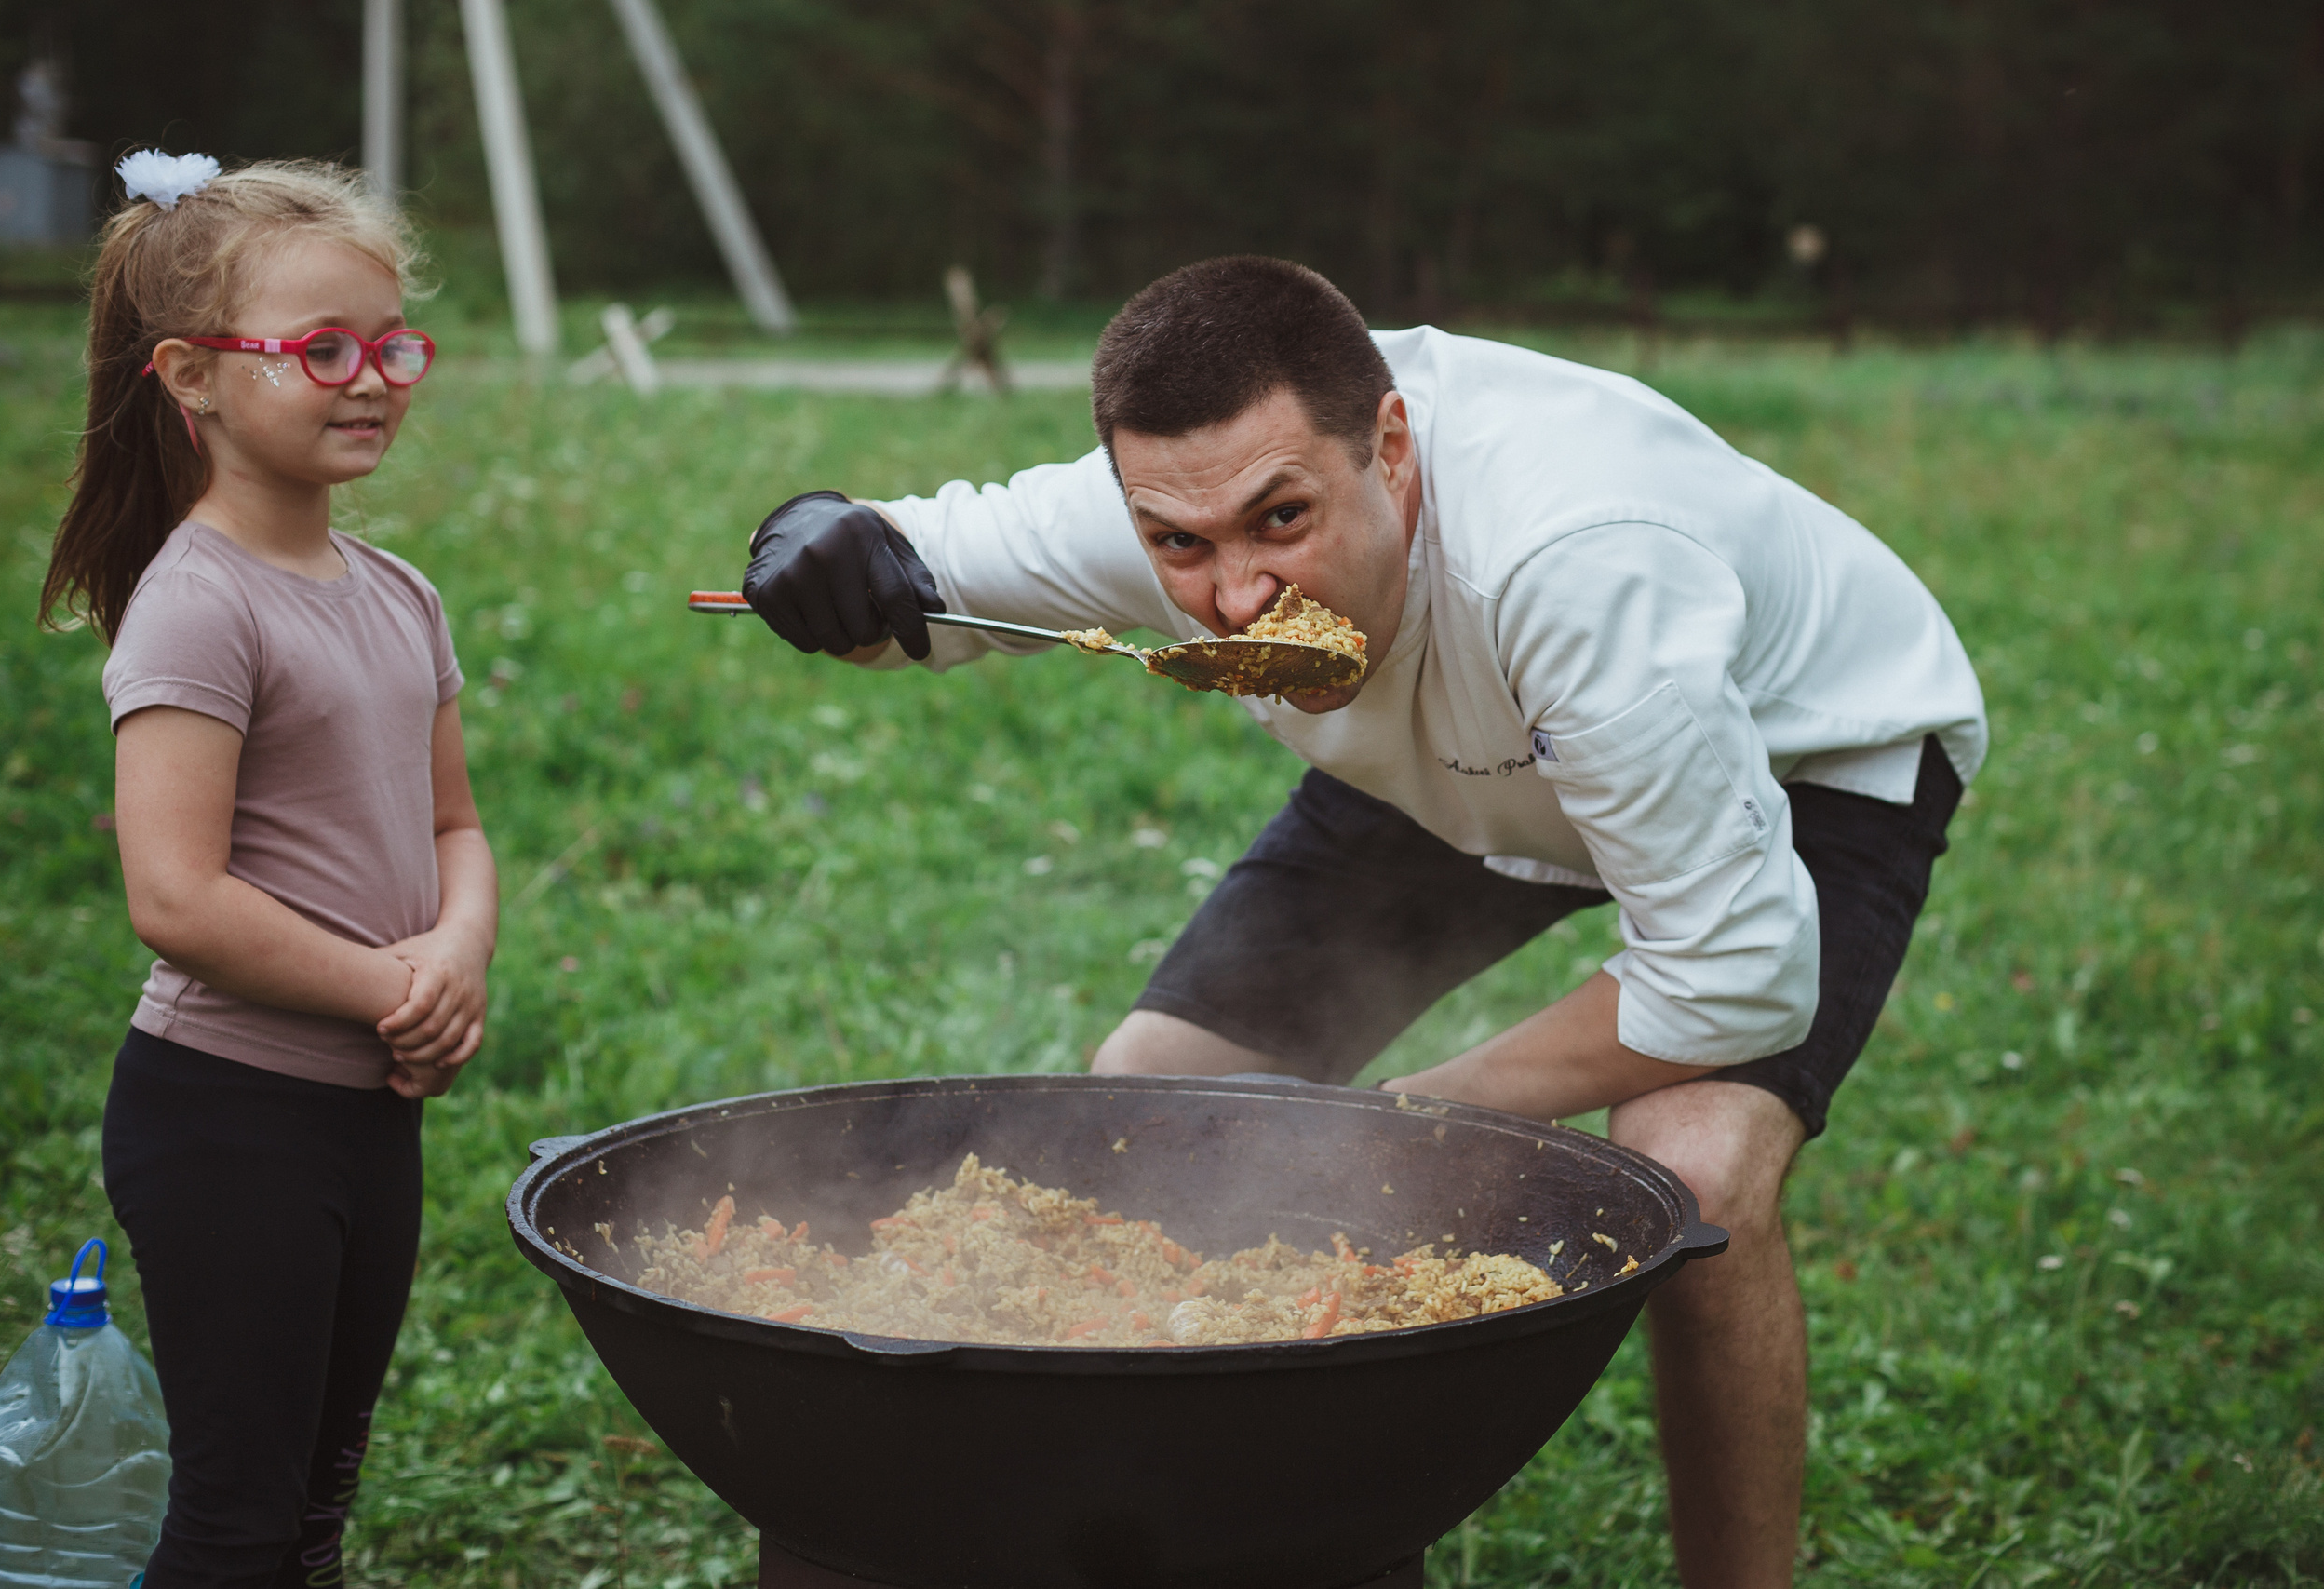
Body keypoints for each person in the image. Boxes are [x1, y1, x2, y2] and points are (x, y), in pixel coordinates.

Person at [737, 256, 1985, 1588]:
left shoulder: (1579, 568)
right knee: (1149, 1095)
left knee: (1697, 1172)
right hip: (1455, 762)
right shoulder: (1186, 497)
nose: (1233, 598)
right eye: (1180, 547)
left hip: (1798, 755)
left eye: (1284, 520)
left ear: (1391, 449)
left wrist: (1401, 1123)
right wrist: (815, 541)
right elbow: (909, 570)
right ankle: (1225, 1531)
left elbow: (1737, 979)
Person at [37, 154, 495, 1588]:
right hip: (227, 1119)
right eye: (322, 350)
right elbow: (174, 900)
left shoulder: (402, 593)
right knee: (237, 1525)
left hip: (370, 1113)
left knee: (310, 1515)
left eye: (390, 343)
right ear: (194, 376)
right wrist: (388, 987)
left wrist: (455, 957)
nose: (372, 379)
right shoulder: (198, 600)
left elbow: (454, 831)